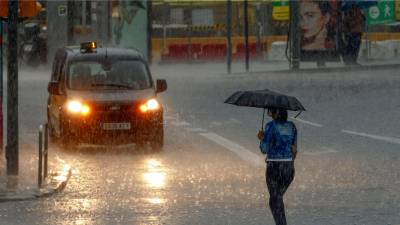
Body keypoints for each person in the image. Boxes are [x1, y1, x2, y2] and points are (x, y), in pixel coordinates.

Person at [257, 108, 297, 225]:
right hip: (288, 168)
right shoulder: (292, 126)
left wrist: (262, 138)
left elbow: (264, 149)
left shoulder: (271, 126)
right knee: (276, 199)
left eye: (271, 111)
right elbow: (294, 149)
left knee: (275, 200)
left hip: (274, 167)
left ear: (275, 113)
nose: (270, 113)